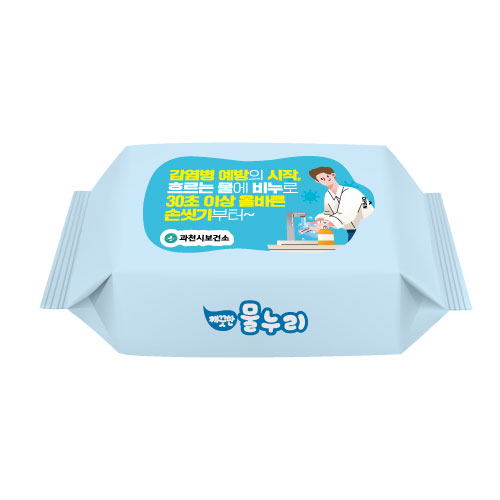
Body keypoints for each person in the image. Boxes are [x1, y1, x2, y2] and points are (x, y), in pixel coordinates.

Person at [307, 166, 374, 241]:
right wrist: (318, 220)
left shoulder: (350, 192)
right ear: (317, 181)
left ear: (333, 175)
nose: (326, 179)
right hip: (350, 230)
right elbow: (328, 213)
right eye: (322, 179)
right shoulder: (328, 195)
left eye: (327, 176)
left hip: (368, 227)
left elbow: (346, 214)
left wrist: (324, 224)